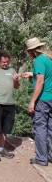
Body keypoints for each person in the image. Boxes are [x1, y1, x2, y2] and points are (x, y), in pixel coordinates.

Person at [22, 38, 52, 166]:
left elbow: (40, 82)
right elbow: (46, 76)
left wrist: (32, 101)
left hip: (42, 99)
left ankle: (41, 159)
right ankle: (50, 156)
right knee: (51, 128)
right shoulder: (49, 59)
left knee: (40, 128)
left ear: (31, 50)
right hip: (51, 97)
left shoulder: (39, 60)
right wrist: (32, 74)